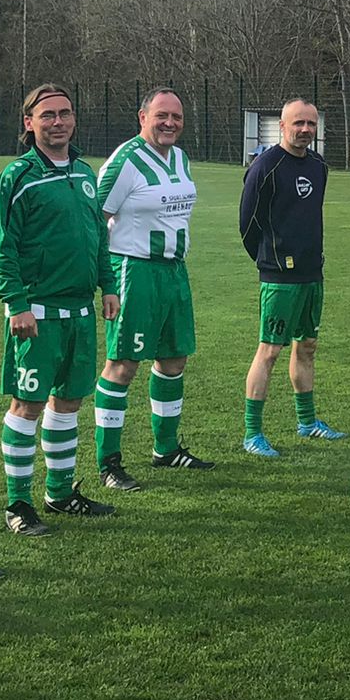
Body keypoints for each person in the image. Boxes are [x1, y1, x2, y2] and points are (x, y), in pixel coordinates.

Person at [0, 84, 121, 535]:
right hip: (37, 312)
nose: (58, 121)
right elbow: (1, 247)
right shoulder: (17, 176)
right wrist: (16, 303)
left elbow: (98, 237)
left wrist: (108, 285)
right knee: (27, 404)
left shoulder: (84, 173)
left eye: (65, 113)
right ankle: (18, 505)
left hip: (80, 312)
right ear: (29, 123)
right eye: (47, 115)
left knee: (68, 402)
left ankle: (60, 493)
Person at [91, 88, 215, 485]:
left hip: (174, 271)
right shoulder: (125, 160)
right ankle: (109, 462)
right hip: (134, 270)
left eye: (176, 117)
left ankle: (166, 449)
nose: (170, 123)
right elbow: (94, 220)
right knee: (123, 364)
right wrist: (105, 280)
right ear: (143, 117)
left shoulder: (180, 157)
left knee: (174, 359)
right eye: (162, 115)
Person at [238, 98, 344, 452]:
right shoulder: (265, 166)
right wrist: (270, 260)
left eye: (311, 124)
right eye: (298, 123)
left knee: (307, 345)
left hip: (313, 272)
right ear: (282, 126)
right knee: (270, 350)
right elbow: (247, 224)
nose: (305, 130)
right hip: (279, 277)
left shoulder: (318, 166)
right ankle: (253, 433)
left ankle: (307, 422)